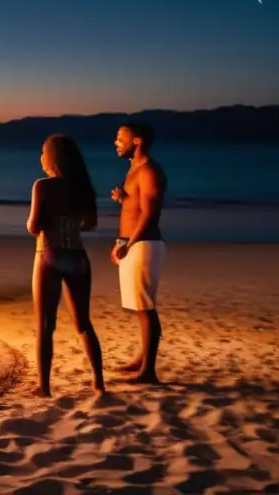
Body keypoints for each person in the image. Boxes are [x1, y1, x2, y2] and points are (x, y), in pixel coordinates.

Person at [26, 135, 104, 397]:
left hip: (50, 253)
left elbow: (33, 225)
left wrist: (46, 220)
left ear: (52, 158)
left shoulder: (43, 186)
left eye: (43, 152)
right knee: (83, 323)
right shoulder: (82, 187)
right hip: (78, 257)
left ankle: (44, 387)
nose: (40, 158)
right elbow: (89, 224)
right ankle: (98, 383)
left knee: (46, 325)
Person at [111, 122, 168, 384]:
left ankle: (148, 371)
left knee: (145, 307)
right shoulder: (133, 170)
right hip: (133, 242)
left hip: (144, 244)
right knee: (138, 305)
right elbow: (136, 207)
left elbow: (150, 213)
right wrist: (124, 199)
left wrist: (129, 244)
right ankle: (142, 359)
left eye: (120, 138)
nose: (116, 142)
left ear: (137, 141)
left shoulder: (149, 172)